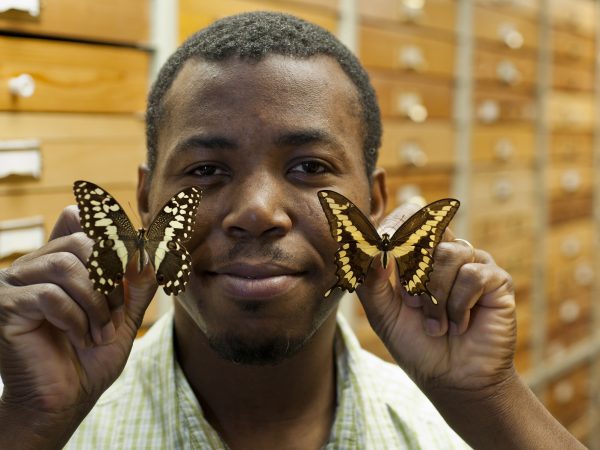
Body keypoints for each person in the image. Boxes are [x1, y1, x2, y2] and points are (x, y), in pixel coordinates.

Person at [0, 11, 584, 450]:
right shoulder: (40, 426)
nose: (257, 211)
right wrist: (31, 424)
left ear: (374, 202)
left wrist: (486, 400)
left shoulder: (462, 431)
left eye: (309, 168)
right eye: (205, 170)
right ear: (147, 202)